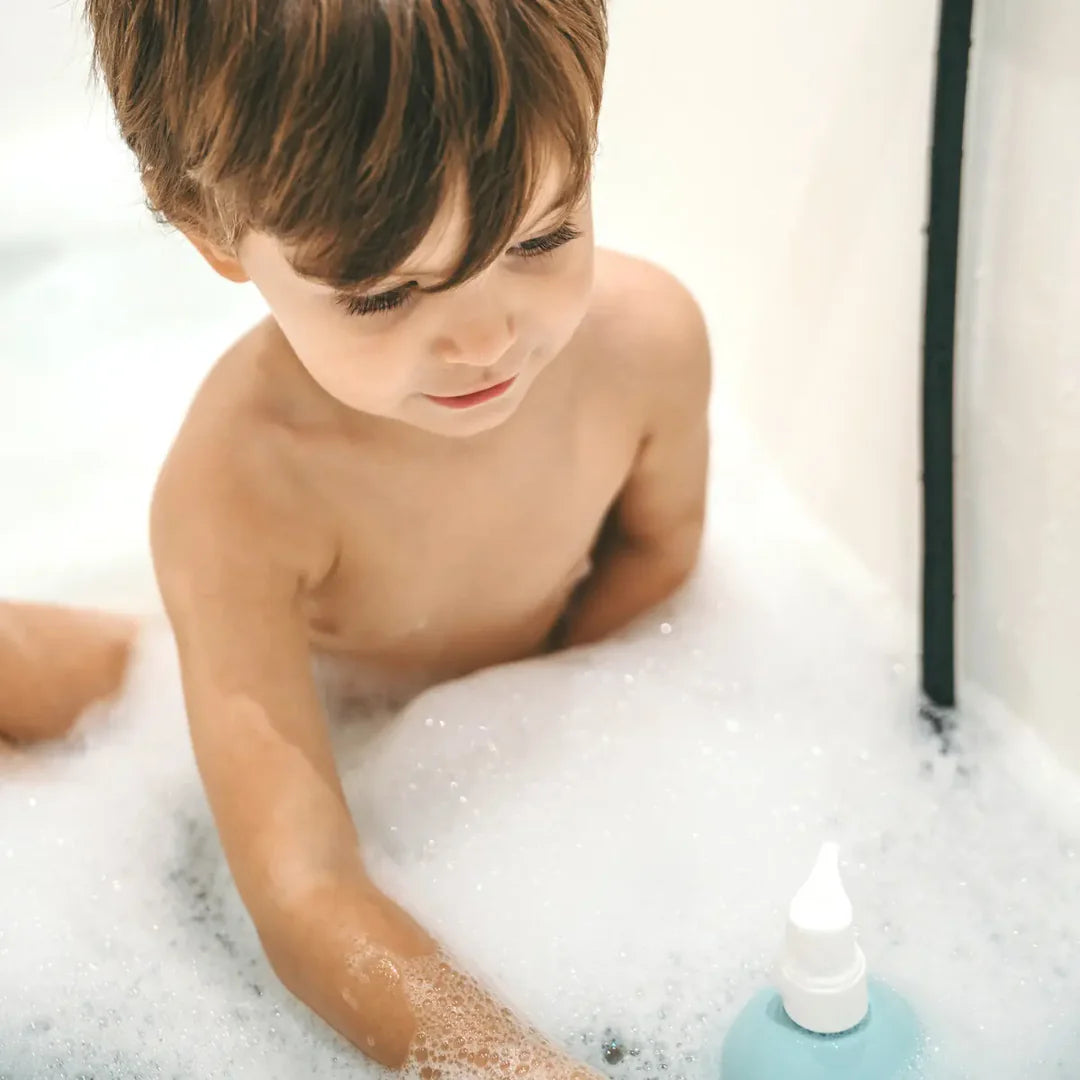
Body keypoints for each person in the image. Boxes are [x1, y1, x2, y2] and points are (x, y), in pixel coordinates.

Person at [1, 0, 710, 1073]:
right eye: (382, 294)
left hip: (446, 719)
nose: (484, 338)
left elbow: (658, 558)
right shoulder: (241, 485)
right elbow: (305, 894)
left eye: (543, 235)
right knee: (108, 670)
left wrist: (536, 724)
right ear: (214, 238)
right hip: (303, 692)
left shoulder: (645, 347)